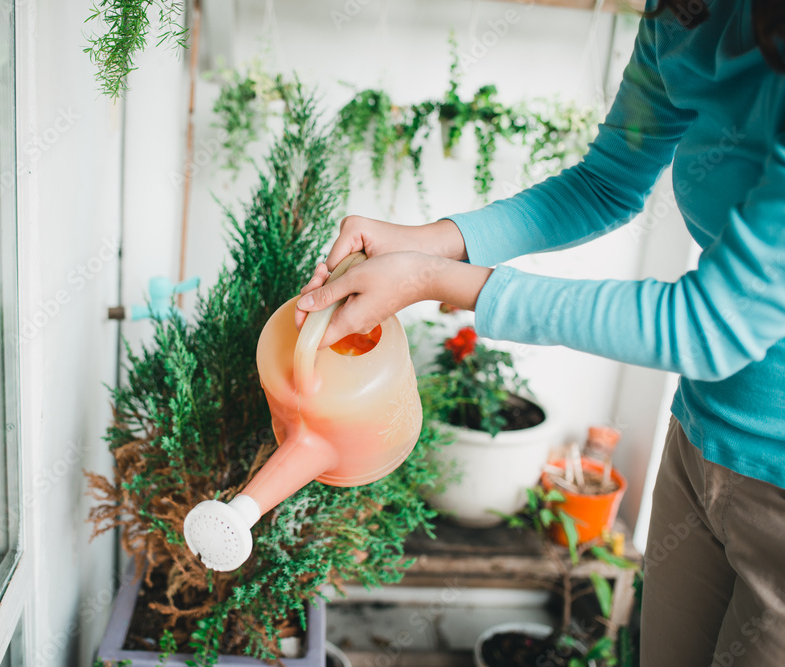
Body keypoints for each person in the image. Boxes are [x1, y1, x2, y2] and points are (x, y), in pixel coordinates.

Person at [295, 1, 785, 665]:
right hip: (702, 436)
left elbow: (706, 326)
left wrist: (440, 281)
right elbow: (606, 182)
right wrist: (433, 244)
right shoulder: (681, 14)